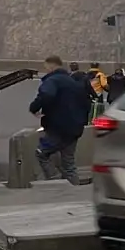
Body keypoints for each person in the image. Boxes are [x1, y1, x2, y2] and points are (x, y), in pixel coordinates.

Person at [29, 56, 87, 185]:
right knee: (69, 164)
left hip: (58, 128)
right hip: (75, 129)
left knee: (41, 153)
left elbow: (47, 94)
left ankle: (55, 182)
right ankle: (75, 192)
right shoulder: (73, 82)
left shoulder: (52, 81)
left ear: (51, 66)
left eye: (46, 67)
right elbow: (86, 103)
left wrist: (34, 108)